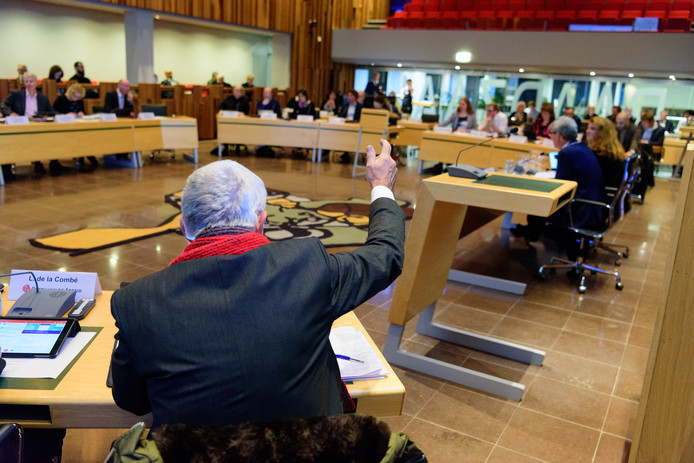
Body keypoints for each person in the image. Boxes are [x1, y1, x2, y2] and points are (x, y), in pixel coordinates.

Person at [109, 139, 404, 430]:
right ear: (261, 221)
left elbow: (132, 401)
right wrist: (381, 185)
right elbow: (384, 255)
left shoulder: (137, 302)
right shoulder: (309, 267)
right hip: (309, 451)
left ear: (183, 226)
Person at [513, 116, 606, 246]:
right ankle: (530, 235)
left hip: (580, 211)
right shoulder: (582, 146)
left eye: (551, 134)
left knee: (535, 214)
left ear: (558, 135)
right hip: (595, 208)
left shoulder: (566, 153)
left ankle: (559, 242)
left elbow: (559, 187)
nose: (551, 137)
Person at [1, 73, 60, 177]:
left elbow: (51, 111)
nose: (29, 84)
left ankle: (51, 163)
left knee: (53, 136)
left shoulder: (43, 98)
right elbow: (3, 104)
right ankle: (7, 167)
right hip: (20, 126)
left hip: (37, 126)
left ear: (37, 83)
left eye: (31, 81)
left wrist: (64, 116)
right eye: (26, 81)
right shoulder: (17, 94)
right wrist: (11, 113)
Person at [54, 84, 99, 172]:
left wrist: (81, 113)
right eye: (75, 96)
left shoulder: (79, 100)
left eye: (78, 97)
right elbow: (54, 113)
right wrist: (66, 115)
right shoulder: (61, 99)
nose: (76, 99)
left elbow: (82, 111)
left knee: (85, 135)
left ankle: (85, 155)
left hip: (77, 124)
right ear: (71, 93)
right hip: (63, 126)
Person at [585, 117, 627, 190]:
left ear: (602, 133)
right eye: (588, 128)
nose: (587, 131)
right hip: (607, 194)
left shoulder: (599, 154)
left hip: (597, 196)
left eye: (592, 129)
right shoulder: (615, 151)